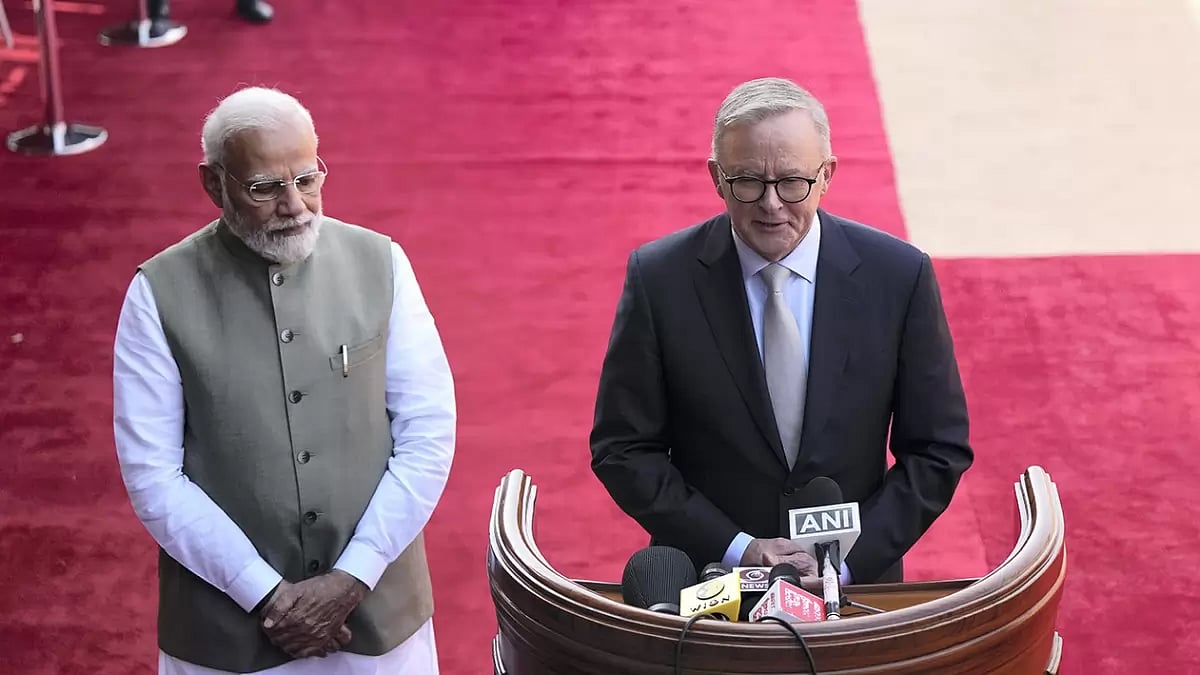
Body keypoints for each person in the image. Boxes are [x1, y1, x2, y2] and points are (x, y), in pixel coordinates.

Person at [112, 86, 455, 674]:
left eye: (308, 178)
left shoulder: (383, 262)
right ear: (214, 184)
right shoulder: (156, 294)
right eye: (265, 188)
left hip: (376, 619)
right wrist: (266, 595)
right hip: (224, 632)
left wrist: (354, 574)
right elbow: (153, 476)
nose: (295, 205)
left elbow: (427, 431)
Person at [589, 77, 973, 586]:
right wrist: (738, 548)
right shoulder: (661, 279)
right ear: (716, 177)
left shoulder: (898, 276)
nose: (771, 204)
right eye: (748, 181)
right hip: (711, 583)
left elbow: (937, 449)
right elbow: (623, 448)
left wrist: (847, 562)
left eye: (792, 182)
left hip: (855, 593)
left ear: (827, 174)